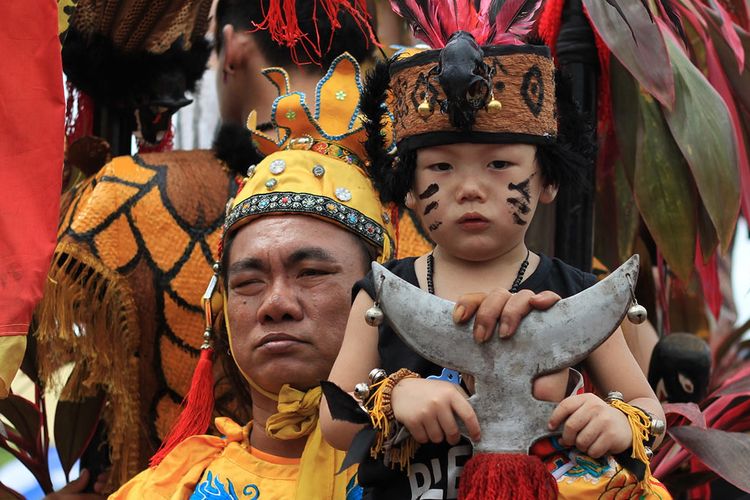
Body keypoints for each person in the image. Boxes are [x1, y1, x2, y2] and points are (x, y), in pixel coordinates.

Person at [320, 4, 670, 498]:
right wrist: (396, 395)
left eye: (499, 164)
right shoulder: (383, 291)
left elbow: (649, 413)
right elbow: (334, 421)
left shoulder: (577, 295)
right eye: (440, 168)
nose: (469, 188)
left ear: (547, 180)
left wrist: (615, 420)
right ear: (410, 189)